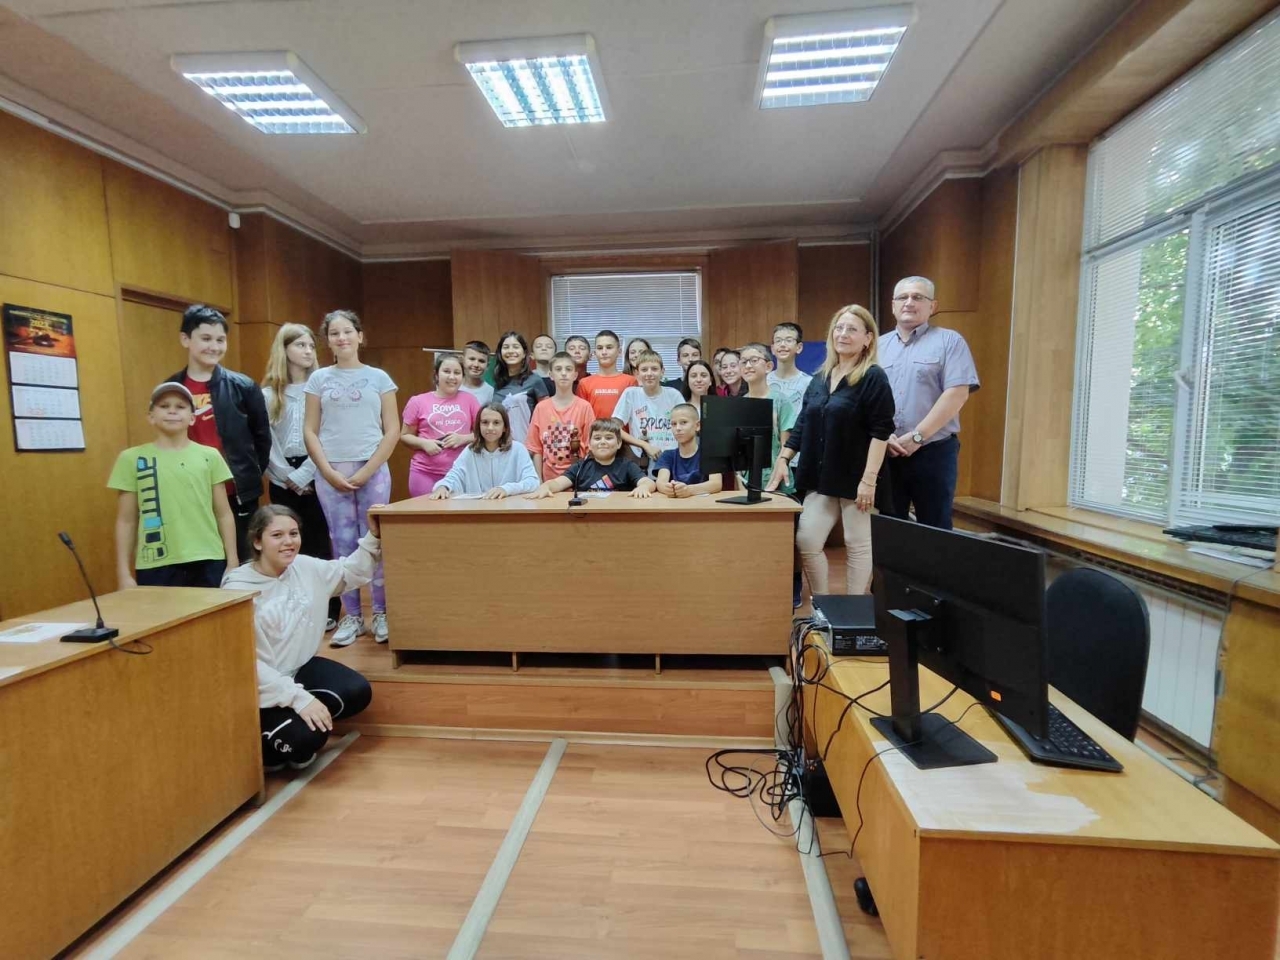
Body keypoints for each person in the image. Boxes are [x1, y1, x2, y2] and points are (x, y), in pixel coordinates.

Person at [223, 504, 378, 772]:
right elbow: (243, 662)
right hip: (256, 684)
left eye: (293, 533)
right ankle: (263, 742)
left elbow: (350, 572)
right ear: (257, 542)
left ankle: (291, 724)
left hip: (297, 670)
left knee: (356, 692)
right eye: (277, 535)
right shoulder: (237, 589)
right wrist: (298, 699)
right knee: (308, 738)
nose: (289, 542)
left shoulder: (305, 566)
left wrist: (374, 536)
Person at [768, 305, 895, 601]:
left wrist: (869, 481)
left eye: (852, 329)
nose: (843, 334)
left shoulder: (874, 377)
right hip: (822, 476)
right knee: (807, 539)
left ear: (868, 339)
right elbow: (803, 423)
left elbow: (881, 432)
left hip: (858, 478)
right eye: (839, 328)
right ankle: (823, 607)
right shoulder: (821, 377)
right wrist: (784, 457)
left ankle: (853, 608)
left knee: (858, 543)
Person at [303, 310, 399, 647]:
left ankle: (382, 613)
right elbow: (310, 430)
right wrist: (328, 471)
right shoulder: (318, 379)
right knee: (342, 543)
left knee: (375, 540)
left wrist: (367, 470)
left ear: (360, 336)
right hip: (331, 472)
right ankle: (353, 616)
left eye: (347, 331)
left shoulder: (379, 378)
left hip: (373, 469)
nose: (341, 338)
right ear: (327, 340)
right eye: (334, 333)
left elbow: (392, 430)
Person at [165, 304, 271, 559]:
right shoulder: (171, 388)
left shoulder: (244, 386)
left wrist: (246, 477)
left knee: (243, 562)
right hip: (188, 493)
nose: (214, 346)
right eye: (206, 338)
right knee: (198, 561)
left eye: (220, 340)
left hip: (237, 494)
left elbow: (262, 439)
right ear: (185, 339)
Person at [110, 381, 238, 589]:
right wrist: (123, 573)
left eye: (180, 406)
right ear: (151, 416)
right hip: (156, 561)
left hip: (208, 559)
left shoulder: (210, 456)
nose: (172, 411)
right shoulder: (131, 458)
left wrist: (232, 562)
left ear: (192, 417)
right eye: (164, 406)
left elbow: (223, 513)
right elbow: (126, 520)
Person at [879, 276, 980, 530]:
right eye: (902, 297)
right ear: (893, 305)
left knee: (935, 529)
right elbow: (867, 399)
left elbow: (957, 393)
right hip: (887, 451)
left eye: (918, 297)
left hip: (934, 451)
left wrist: (917, 437)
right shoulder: (877, 347)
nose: (909, 302)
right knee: (889, 529)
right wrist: (884, 436)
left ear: (932, 306)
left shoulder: (949, 341)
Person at [261, 323, 340, 630]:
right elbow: (264, 440)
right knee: (285, 544)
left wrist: (307, 472)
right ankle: (293, 609)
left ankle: (328, 609)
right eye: (300, 345)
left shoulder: (320, 391)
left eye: (310, 346)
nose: (308, 351)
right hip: (281, 476)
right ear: (284, 350)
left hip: (317, 470)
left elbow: (328, 434)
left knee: (319, 542)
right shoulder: (267, 395)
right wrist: (285, 475)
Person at [400, 353, 480, 498]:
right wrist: (424, 443)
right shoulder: (417, 401)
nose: (452, 377)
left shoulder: (470, 400)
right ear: (436, 374)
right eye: (446, 371)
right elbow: (404, 436)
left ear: (463, 377)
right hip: (424, 472)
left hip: (461, 472)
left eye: (457, 373)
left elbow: (483, 434)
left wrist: (463, 438)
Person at [429, 403, 539, 499]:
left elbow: (533, 481)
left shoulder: (518, 450)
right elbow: (454, 476)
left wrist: (506, 489)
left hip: (509, 510)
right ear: (479, 426)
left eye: (496, 423)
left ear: (505, 427)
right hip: (478, 511)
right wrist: (443, 486)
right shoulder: (470, 451)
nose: (490, 428)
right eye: (485, 422)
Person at [525, 418, 656, 498]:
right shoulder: (581, 467)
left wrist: (643, 487)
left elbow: (649, 483)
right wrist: (546, 487)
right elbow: (557, 483)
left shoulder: (627, 466)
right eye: (597, 438)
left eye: (609, 438)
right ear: (590, 444)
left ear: (619, 443)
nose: (603, 442)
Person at [526, 352, 595, 481]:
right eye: (558, 369)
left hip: (578, 479)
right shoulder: (541, 408)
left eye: (568, 369)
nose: (563, 373)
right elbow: (536, 449)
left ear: (575, 375)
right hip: (548, 481)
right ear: (551, 375)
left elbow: (590, 448)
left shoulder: (584, 407)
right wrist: (539, 481)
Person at [612, 351, 684, 474]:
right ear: (637, 373)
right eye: (644, 370)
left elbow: (686, 425)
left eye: (654, 369)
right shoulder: (631, 394)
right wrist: (645, 445)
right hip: (641, 460)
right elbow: (614, 428)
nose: (649, 374)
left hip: (673, 459)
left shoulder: (674, 395)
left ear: (662, 372)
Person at [739, 342, 797, 496]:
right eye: (743, 362)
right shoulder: (740, 404)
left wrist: (774, 480)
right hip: (746, 480)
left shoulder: (781, 401)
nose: (748, 365)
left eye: (754, 360)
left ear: (768, 366)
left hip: (775, 479)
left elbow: (786, 445)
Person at [655, 403, 722, 497]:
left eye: (683, 422)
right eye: (674, 424)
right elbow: (660, 483)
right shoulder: (667, 455)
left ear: (697, 426)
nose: (678, 428)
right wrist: (670, 489)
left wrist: (689, 490)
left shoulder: (709, 453)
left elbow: (716, 483)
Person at [577, 329, 637, 419]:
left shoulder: (630, 382)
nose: (604, 352)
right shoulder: (584, 383)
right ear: (595, 353)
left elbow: (636, 416)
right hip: (594, 429)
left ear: (619, 351)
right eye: (600, 348)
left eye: (609, 347)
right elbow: (581, 417)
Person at [492, 330, 551, 409]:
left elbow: (546, 411)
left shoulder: (535, 380)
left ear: (524, 353)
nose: (510, 351)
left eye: (516, 347)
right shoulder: (498, 382)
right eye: (506, 347)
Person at [767, 322, 812, 415]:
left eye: (788, 340)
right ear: (772, 349)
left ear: (799, 347)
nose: (782, 344)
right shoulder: (763, 381)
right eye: (778, 341)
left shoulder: (809, 383)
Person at [459, 341, 495, 405]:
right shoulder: (453, 387)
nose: (476, 365)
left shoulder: (490, 392)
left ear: (487, 365)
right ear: (462, 360)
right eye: (472, 359)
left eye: (481, 361)